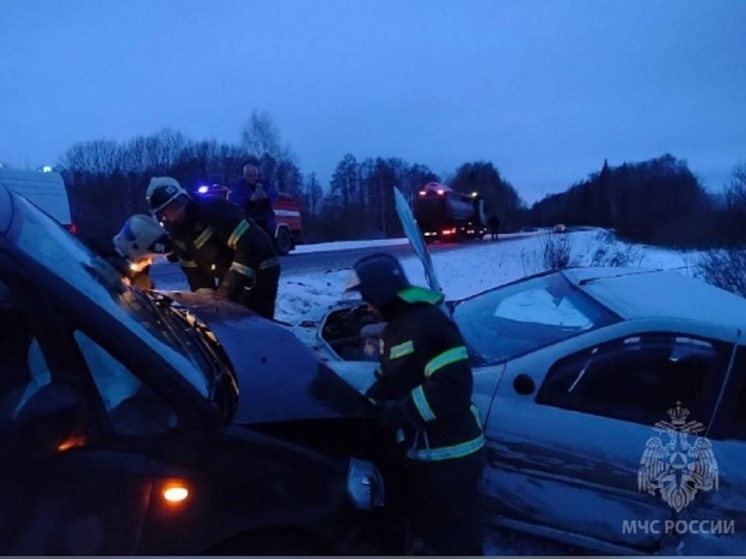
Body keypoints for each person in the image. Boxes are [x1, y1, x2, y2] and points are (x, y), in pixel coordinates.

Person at [344, 252, 486, 556]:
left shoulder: (429, 324)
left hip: (452, 456)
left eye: (367, 297)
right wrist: (364, 407)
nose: (366, 306)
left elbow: (453, 389)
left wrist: (402, 410)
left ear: (381, 292)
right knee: (429, 529)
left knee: (456, 539)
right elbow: (389, 378)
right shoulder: (396, 327)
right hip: (426, 455)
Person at [145, 176, 281, 319]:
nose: (178, 212)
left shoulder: (214, 210)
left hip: (261, 266)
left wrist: (226, 289)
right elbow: (193, 270)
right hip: (230, 271)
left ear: (185, 197)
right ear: (162, 214)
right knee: (227, 317)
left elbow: (249, 245)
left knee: (254, 320)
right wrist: (206, 299)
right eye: (170, 209)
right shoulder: (175, 231)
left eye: (178, 204)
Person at [86, 214, 173, 290]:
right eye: (148, 258)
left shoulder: (89, 256)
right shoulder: (108, 280)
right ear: (134, 251)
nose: (150, 262)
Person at [230, 163, 278, 238]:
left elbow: (274, 194)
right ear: (244, 175)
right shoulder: (238, 186)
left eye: (254, 175)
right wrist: (249, 199)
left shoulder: (264, 184)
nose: (252, 178)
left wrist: (266, 196)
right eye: (249, 175)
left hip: (265, 224)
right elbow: (234, 199)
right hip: (247, 225)